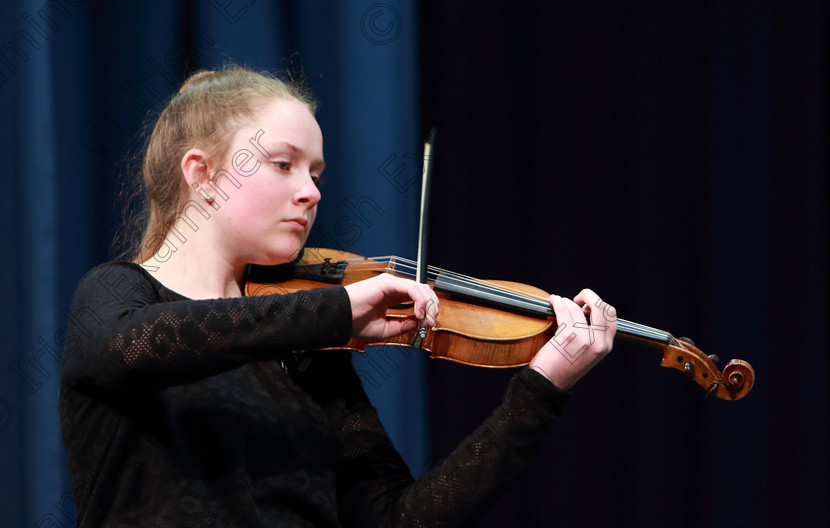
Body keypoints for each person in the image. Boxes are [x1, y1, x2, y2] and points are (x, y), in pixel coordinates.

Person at [59, 67, 616, 527]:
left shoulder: (309, 354)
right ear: (203, 174)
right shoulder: (115, 293)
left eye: (317, 172)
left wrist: (541, 389)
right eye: (284, 164)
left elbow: (399, 520)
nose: (311, 191)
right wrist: (340, 312)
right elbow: (132, 345)